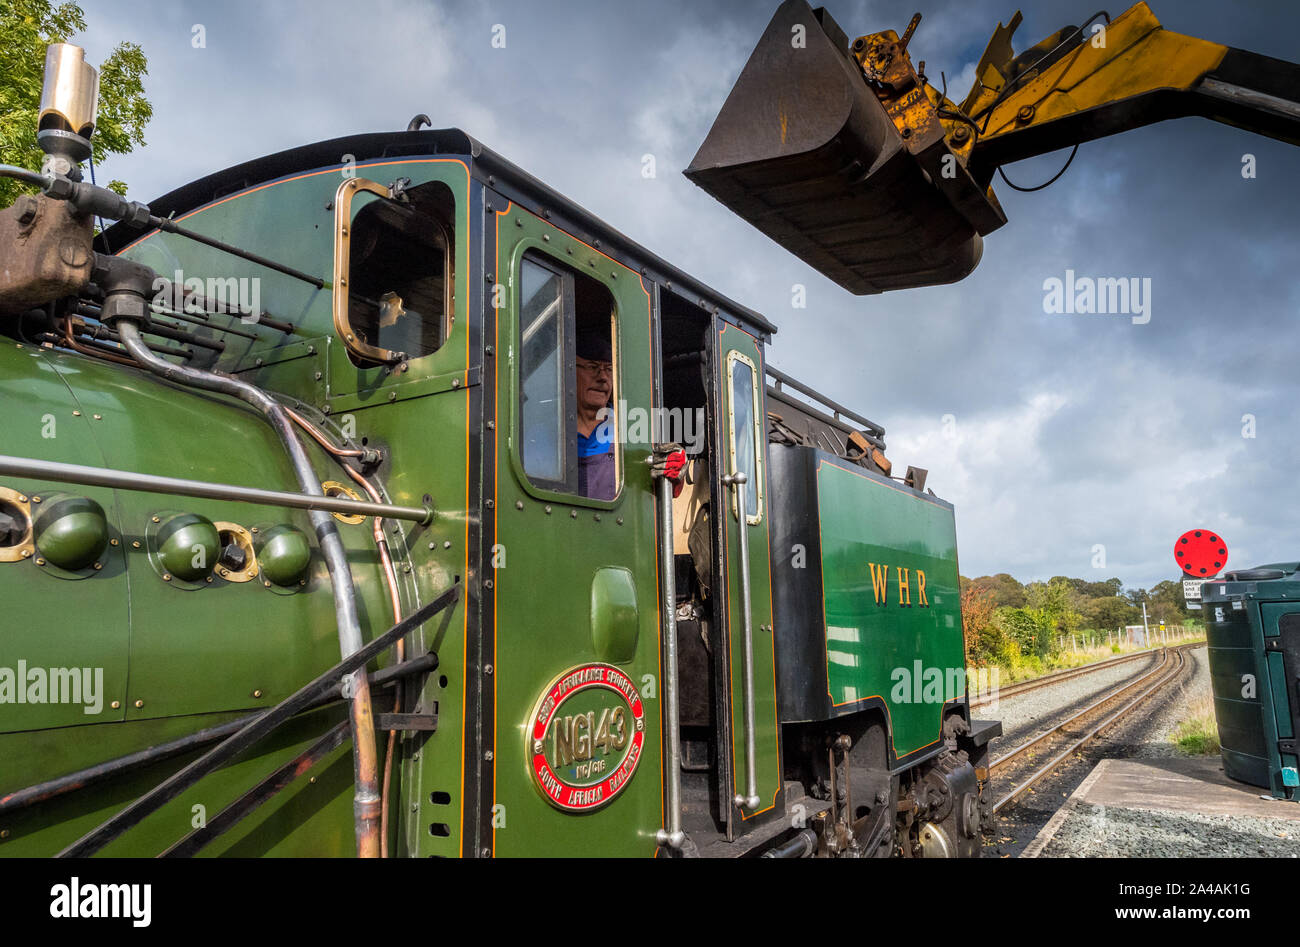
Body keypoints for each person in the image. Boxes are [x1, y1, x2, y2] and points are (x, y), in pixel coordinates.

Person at [576, 332, 616, 499]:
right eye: (592, 367)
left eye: (609, 369)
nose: (603, 377)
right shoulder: (544, 433)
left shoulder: (632, 428)